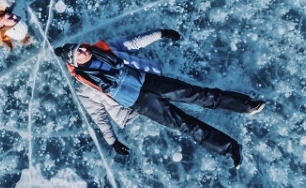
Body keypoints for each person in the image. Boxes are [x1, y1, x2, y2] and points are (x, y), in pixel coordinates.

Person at [55, 29, 265, 168]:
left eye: (79, 46)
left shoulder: (106, 49)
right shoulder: (84, 88)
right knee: (185, 125)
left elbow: (134, 42)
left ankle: (247, 105)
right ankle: (230, 148)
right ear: (75, 63)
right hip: (140, 103)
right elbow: (98, 115)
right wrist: (112, 141)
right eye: (78, 52)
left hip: (149, 81)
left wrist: (161, 33)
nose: (83, 49)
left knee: (198, 94)